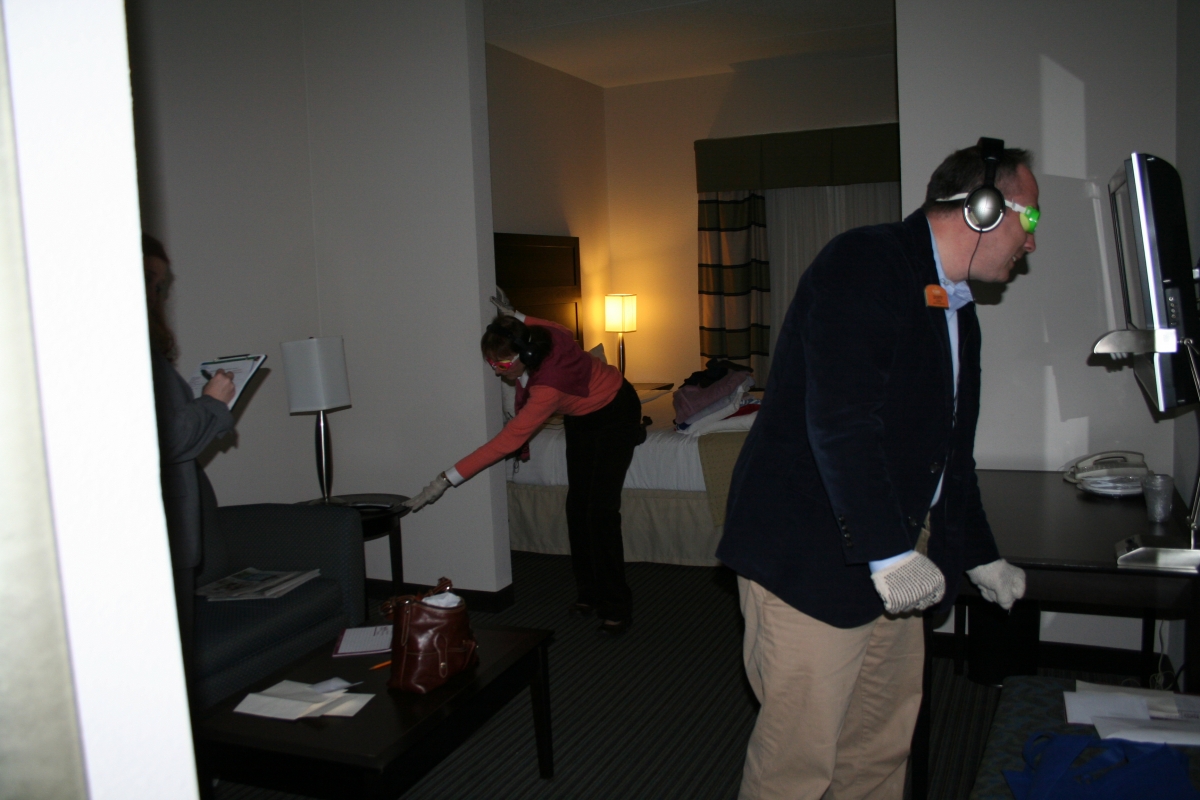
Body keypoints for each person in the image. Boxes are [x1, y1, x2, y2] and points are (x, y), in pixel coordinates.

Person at [715, 140, 1039, 799]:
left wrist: (977, 554)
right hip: (810, 556)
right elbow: (841, 419)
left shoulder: (957, 309)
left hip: (892, 556)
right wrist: (889, 553)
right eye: (1028, 221)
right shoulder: (866, 261)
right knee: (798, 766)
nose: (1030, 243)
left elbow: (949, 453)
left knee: (880, 749)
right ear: (981, 209)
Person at [404, 292, 645, 634]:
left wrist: (444, 480)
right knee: (577, 507)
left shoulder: (547, 388)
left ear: (525, 354)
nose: (497, 371)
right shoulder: (544, 338)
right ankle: (590, 593)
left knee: (600, 512)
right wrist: (514, 313)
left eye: (502, 365)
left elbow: (508, 441)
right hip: (581, 415)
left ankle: (617, 605)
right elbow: (554, 324)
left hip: (615, 412)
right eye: (492, 364)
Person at [143, 235, 236, 703]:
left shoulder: (147, 350)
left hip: (175, 532)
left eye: (161, 284)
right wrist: (211, 403)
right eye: (151, 282)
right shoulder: (121, 351)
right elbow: (164, 437)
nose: (159, 293)